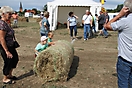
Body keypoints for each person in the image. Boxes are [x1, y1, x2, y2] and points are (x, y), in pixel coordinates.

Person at [104, 0, 132, 87]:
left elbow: (107, 26)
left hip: (126, 58)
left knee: (123, 83)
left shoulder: (125, 21)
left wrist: (119, 15)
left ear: (126, 9)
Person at [0, 6, 19, 84]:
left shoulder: (6, 23)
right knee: (8, 61)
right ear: (3, 14)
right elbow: (1, 38)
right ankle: (5, 78)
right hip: (5, 47)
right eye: (9, 14)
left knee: (15, 59)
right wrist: (6, 51)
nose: (11, 16)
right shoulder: (1, 24)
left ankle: (10, 75)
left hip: (11, 45)